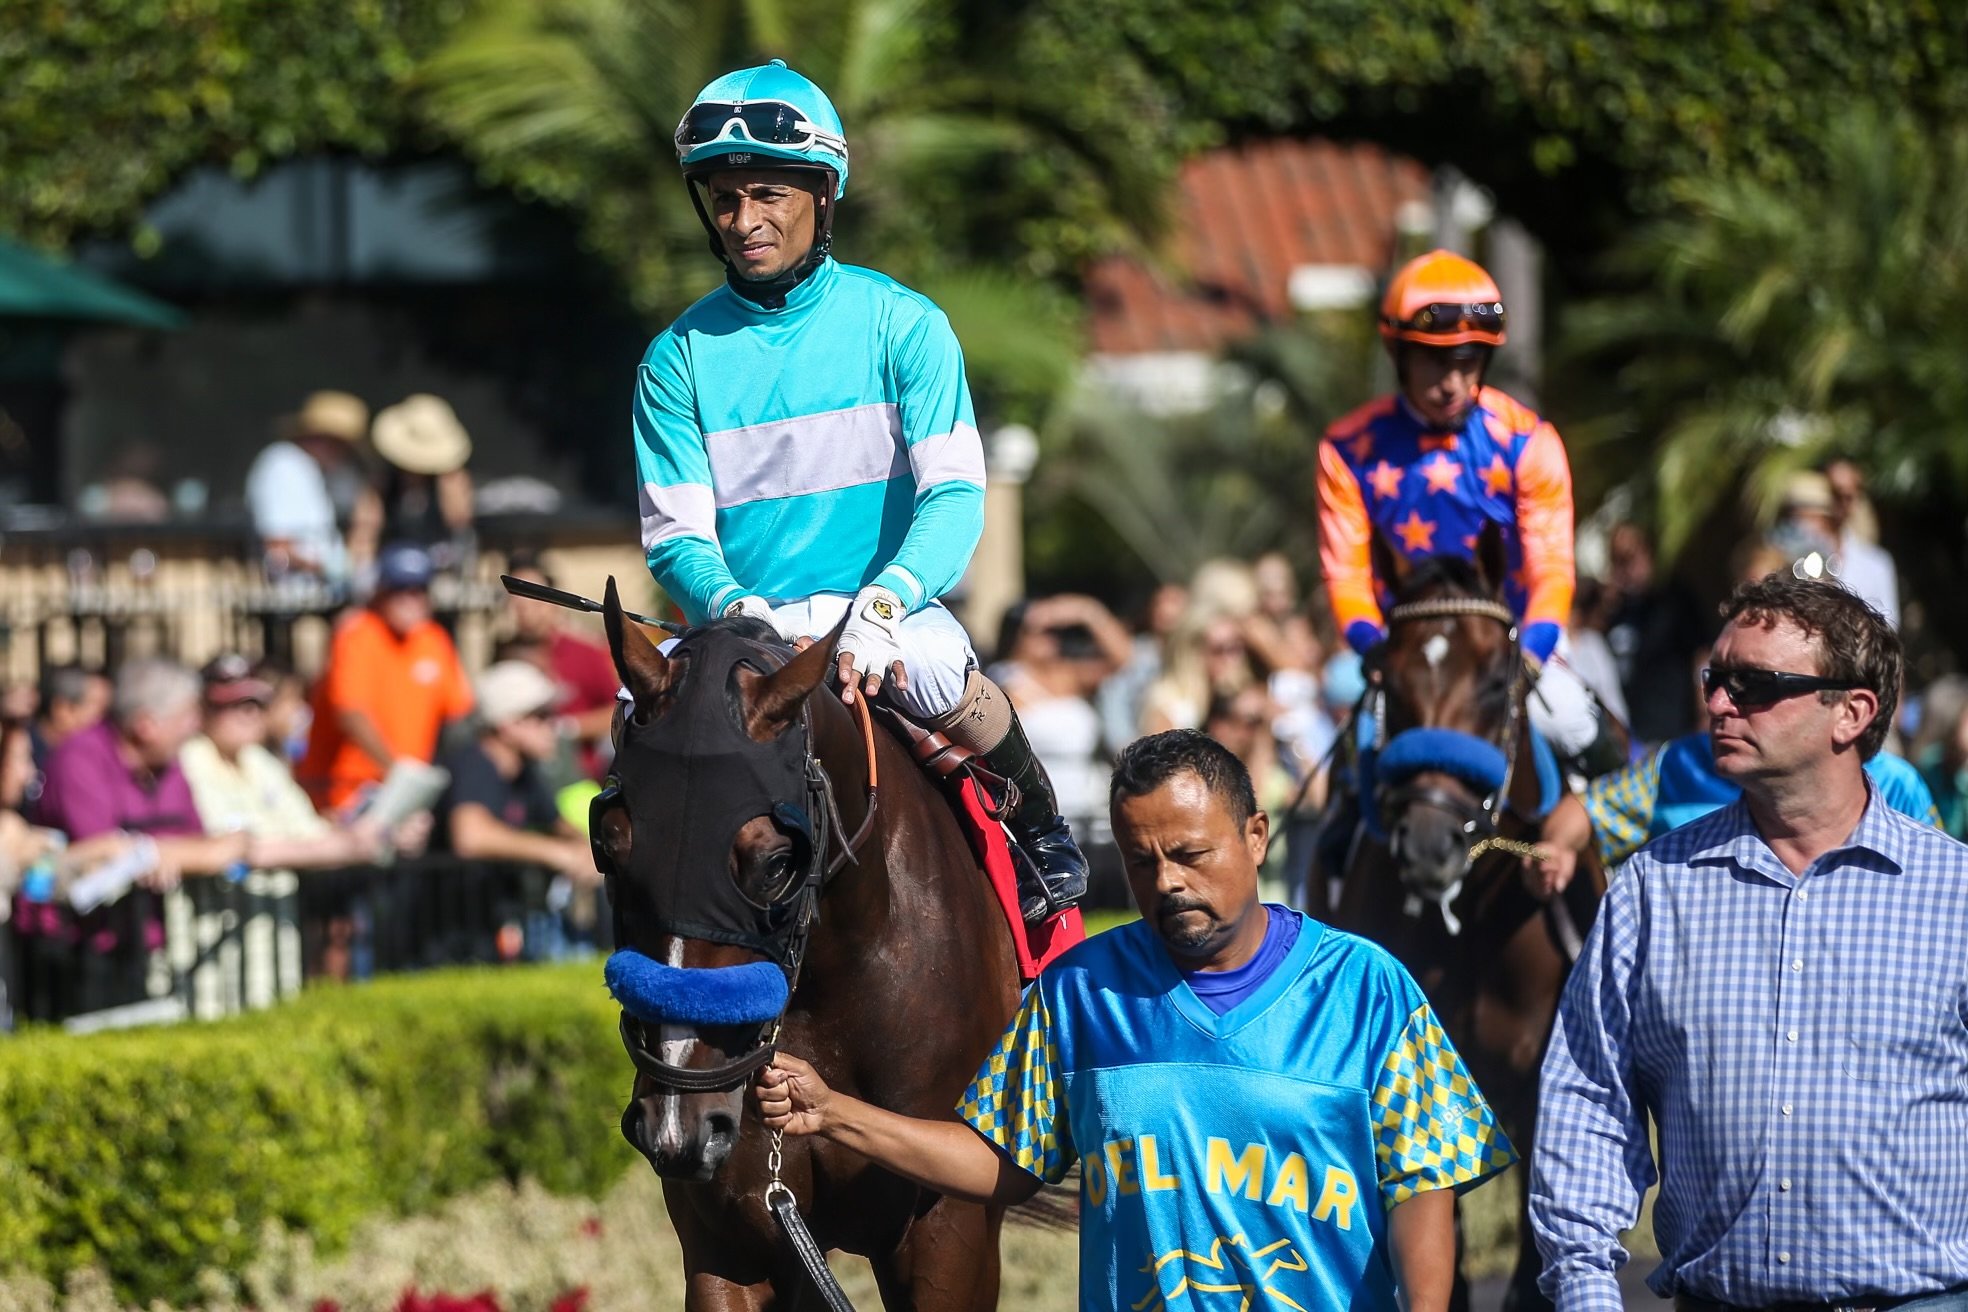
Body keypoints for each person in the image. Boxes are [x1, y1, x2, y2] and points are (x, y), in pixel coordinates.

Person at [756, 729, 1514, 1311]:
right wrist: (834, 1113)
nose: (1167, 882)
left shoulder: (1364, 988)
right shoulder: (1082, 991)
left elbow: (1421, 1184)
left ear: (1256, 836)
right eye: (1141, 860)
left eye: (1190, 853)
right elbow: (998, 1164)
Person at [634, 59, 1085, 920]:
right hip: (746, 622)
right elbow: (675, 536)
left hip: (885, 612)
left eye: (769, 193)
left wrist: (885, 604)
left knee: (935, 669)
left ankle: (1041, 834)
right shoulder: (675, 357)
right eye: (725, 200)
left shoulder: (904, 324)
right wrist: (740, 612)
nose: (743, 220)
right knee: (644, 722)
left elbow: (954, 496)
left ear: (823, 194)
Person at [1531, 574, 1968, 1308]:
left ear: (1851, 714)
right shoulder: (1652, 890)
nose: (1719, 702)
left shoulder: (1953, 895)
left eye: (1755, 684)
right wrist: (1585, 1292)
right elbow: (1587, 1105)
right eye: (1716, 678)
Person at [1318, 249, 1614, 769]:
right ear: (1399, 354)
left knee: (1571, 723)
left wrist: (1532, 652)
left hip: (1517, 638)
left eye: (1468, 360)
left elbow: (1551, 566)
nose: (1452, 381)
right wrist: (1373, 649)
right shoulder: (1346, 450)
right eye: (1435, 360)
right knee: (1354, 759)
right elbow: (1346, 575)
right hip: (1405, 651)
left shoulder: (1529, 441)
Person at [23, 659, 255, 1017]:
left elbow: (195, 836)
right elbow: (105, 854)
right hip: (75, 952)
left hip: (146, 944)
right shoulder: (79, 759)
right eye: (186, 716)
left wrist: (172, 852)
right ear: (147, 725)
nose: (195, 726)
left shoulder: (168, 764)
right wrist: (203, 853)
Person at [298, 542, 474, 812]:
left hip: (406, 793)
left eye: (419, 590)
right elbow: (350, 712)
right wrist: (399, 774)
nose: (410, 599)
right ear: (380, 591)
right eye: (399, 590)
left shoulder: (432, 639)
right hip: (347, 791)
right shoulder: (358, 633)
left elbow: (459, 714)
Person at [501, 550, 621, 778]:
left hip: (579, 777)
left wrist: (565, 729)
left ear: (554, 603)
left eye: (535, 602)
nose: (526, 612)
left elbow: (616, 711)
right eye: (517, 603)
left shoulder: (586, 653)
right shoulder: (505, 656)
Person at [245, 390, 373, 585]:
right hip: (293, 601)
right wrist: (330, 568)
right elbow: (277, 549)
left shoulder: (317, 471)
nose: (342, 453)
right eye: (338, 444)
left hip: (321, 594)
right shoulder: (284, 464)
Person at [1602, 522, 1708, 747]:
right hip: (1628, 737)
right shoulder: (1613, 610)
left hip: (1673, 729)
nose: (1623, 569)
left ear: (1648, 554)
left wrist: (1704, 711)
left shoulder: (1674, 601)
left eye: (1629, 558)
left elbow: (1701, 656)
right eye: (1616, 560)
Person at [362, 394, 477, 577]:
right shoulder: (384, 481)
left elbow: (460, 523)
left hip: (442, 570)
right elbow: (365, 531)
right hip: (393, 573)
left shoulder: (450, 480)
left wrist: (447, 482)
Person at [1823, 459, 1901, 629]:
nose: (1839, 502)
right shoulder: (1790, 547)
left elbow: (1889, 624)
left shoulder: (1877, 562)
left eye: (1847, 496)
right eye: (1833, 493)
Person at [30, 663, 111, 774]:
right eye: (94, 704)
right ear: (62, 709)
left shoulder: (98, 756)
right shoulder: (21, 753)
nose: (102, 719)